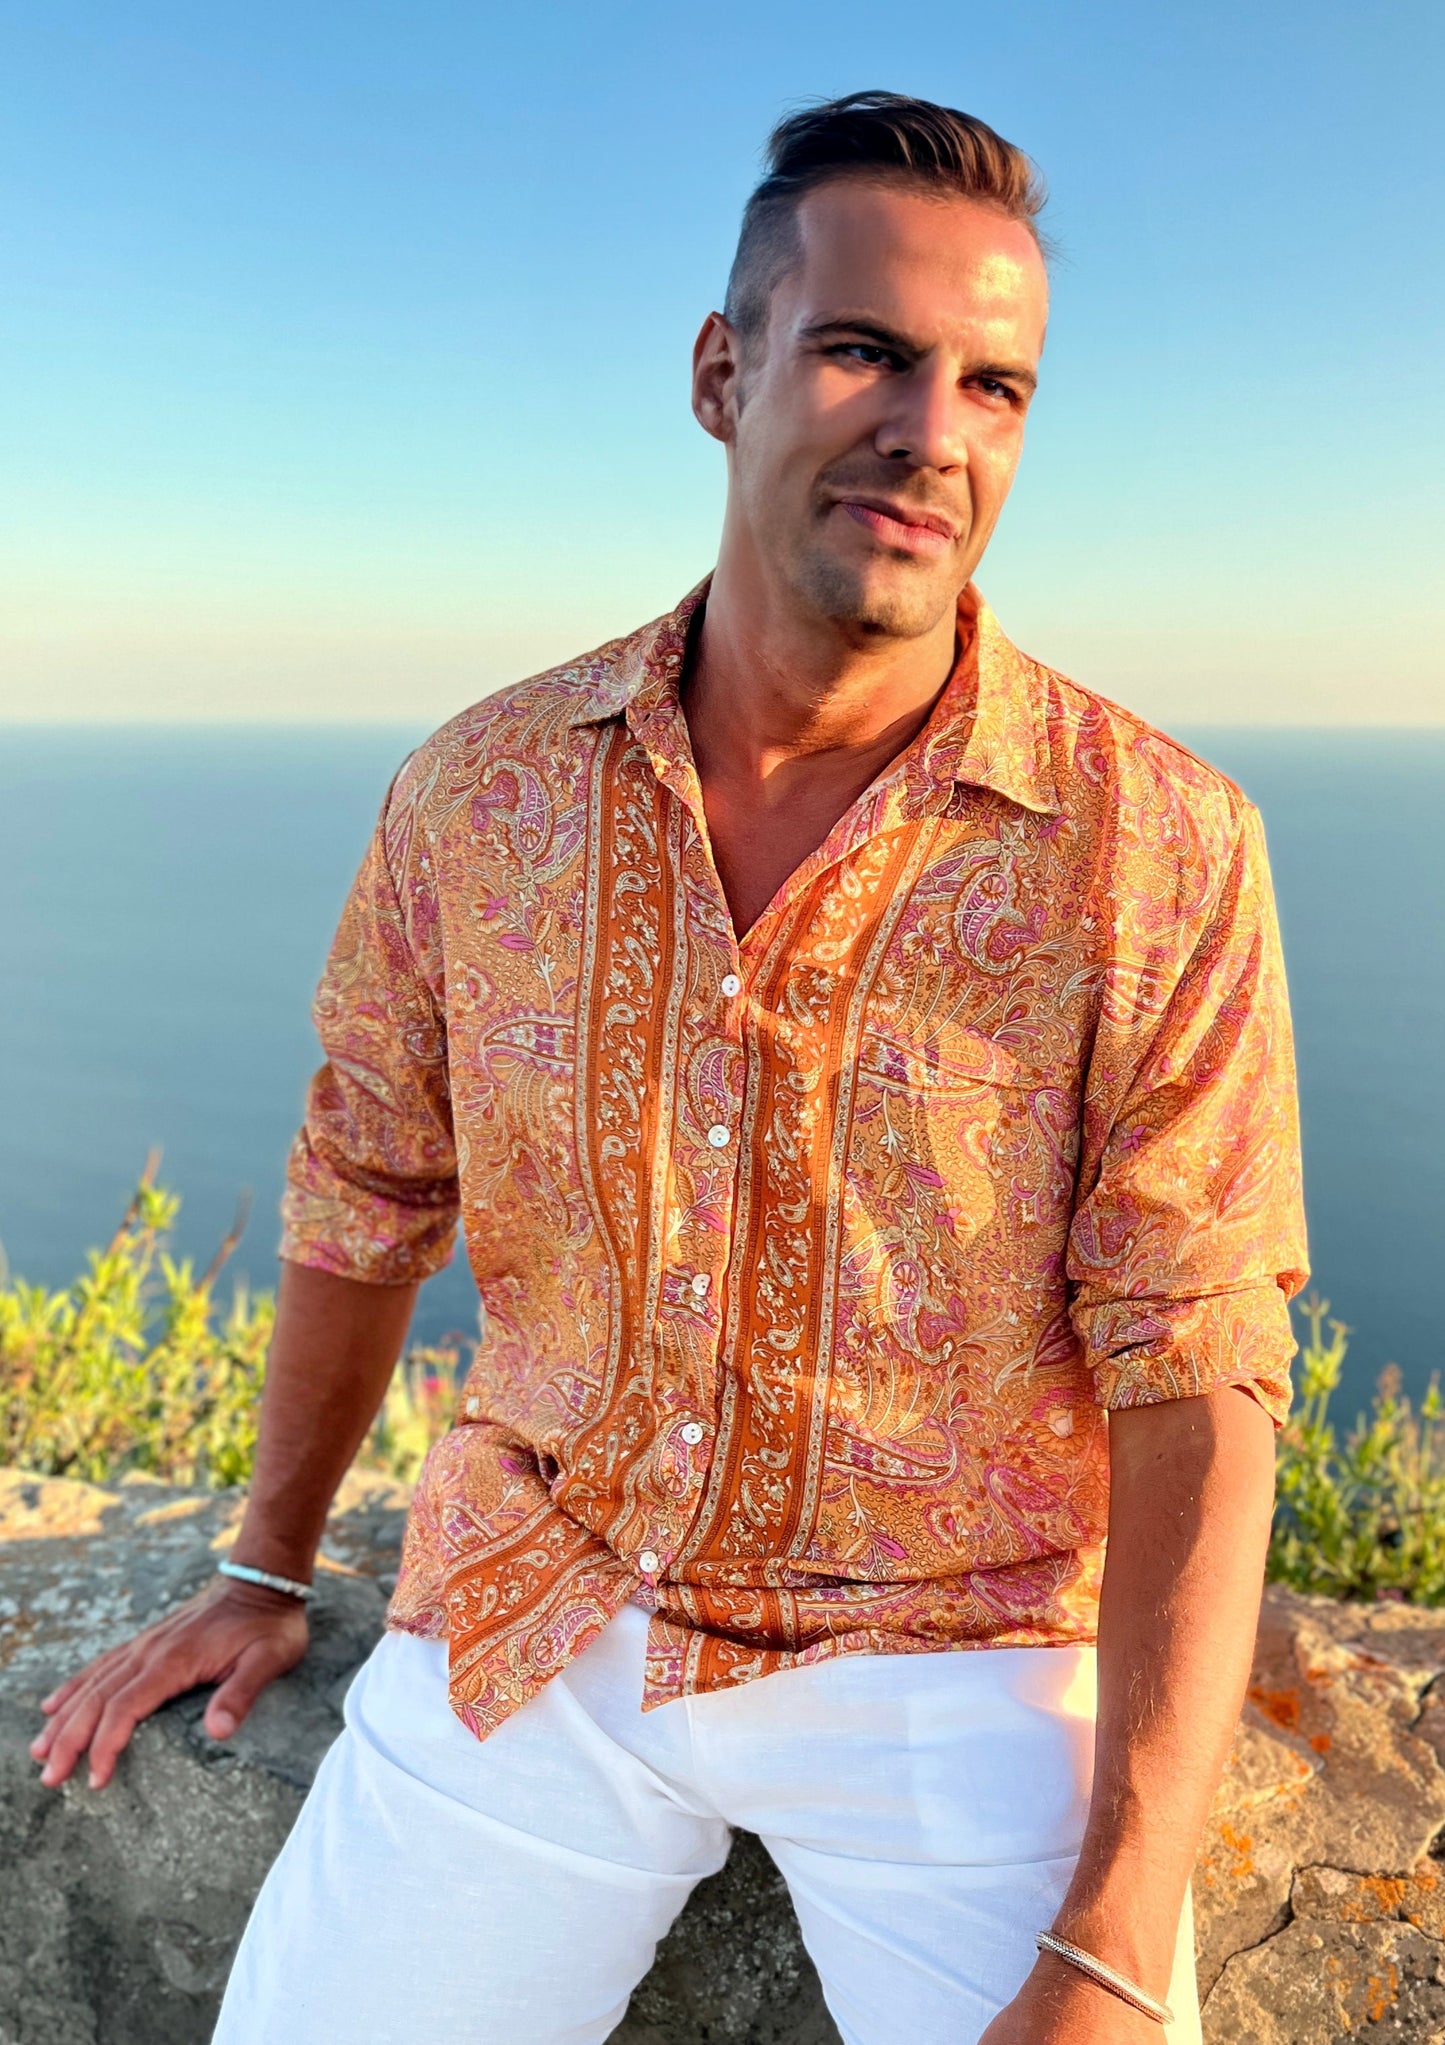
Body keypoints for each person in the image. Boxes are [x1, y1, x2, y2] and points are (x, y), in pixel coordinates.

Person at [30, 90, 1309, 2045]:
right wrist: (261, 1564)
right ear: (724, 373)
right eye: (866, 351)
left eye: (994, 387)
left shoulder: (1155, 845)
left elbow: (1197, 1360)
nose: (933, 432)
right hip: (538, 1606)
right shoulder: (481, 793)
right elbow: (365, 1187)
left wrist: (1120, 1929)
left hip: (950, 1658)